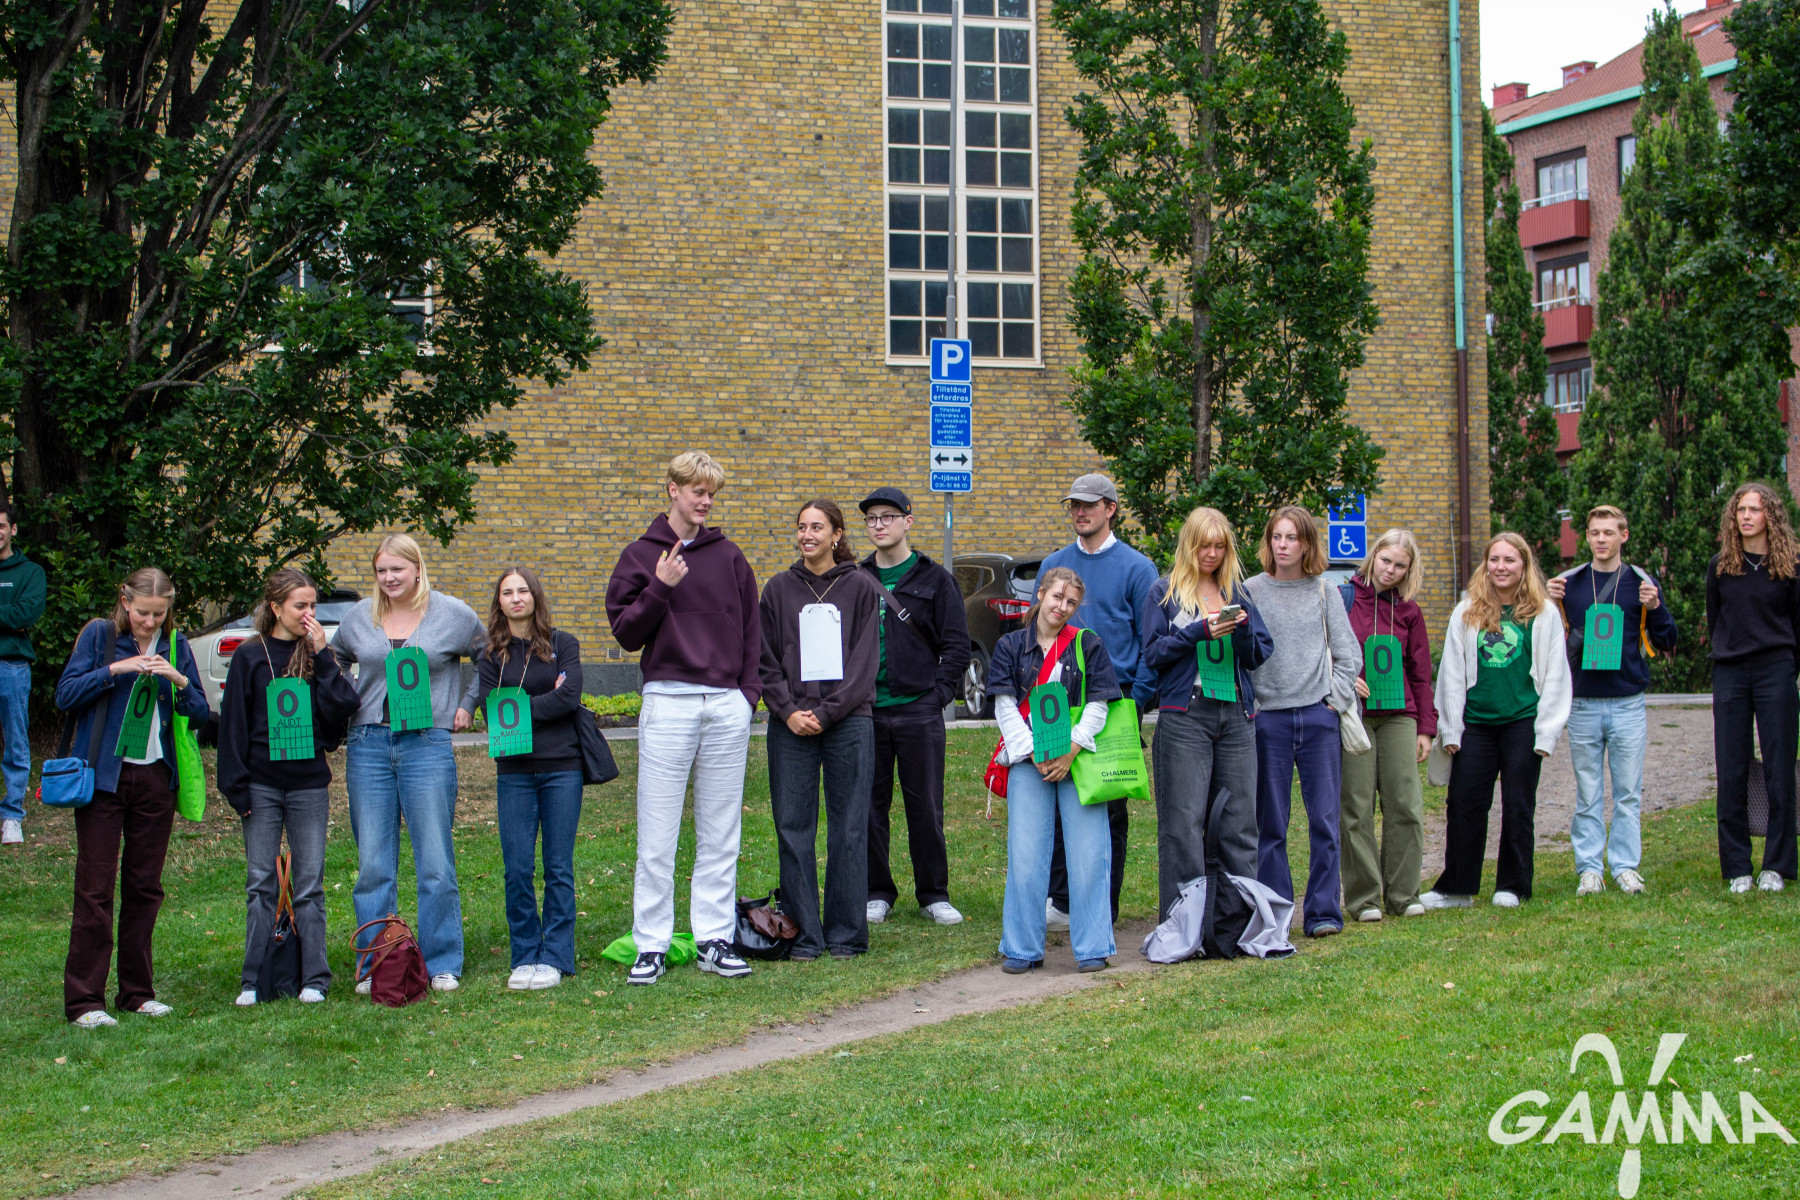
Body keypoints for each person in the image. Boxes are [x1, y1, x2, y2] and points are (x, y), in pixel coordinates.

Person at [606, 451, 761, 986]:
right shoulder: (640, 555)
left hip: (725, 705)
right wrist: (661, 585)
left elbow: (752, 631)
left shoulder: (730, 557)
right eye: (698, 491)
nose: (706, 501)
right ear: (672, 489)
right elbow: (627, 634)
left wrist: (747, 698)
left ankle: (714, 939)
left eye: (712, 493)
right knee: (657, 833)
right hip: (668, 701)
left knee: (721, 832)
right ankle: (650, 943)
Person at [55, 568, 210, 1027]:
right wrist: (114, 670)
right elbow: (65, 695)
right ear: (125, 601)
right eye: (143, 612)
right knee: (95, 889)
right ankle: (85, 1001)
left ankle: (137, 994)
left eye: (159, 614)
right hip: (104, 781)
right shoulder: (100, 637)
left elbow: (200, 713)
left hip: (156, 780)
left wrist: (179, 681)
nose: (149, 622)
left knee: (145, 889)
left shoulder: (176, 644)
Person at [330, 533, 486, 993]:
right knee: (374, 863)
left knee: (434, 859)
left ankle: (442, 961)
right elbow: (334, 659)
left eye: (397, 569)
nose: (389, 578)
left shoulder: (452, 614)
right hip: (369, 745)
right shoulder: (360, 616)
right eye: (381, 570)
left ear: (417, 568)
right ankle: (376, 962)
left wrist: (468, 702)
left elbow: (490, 656)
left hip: (426, 744)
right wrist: (347, 697)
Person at [217, 568, 360, 1006]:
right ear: (276, 608)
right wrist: (237, 788)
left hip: (308, 786)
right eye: (300, 606)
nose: (309, 613)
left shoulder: (315, 654)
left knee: (309, 883)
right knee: (261, 882)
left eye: (313, 605)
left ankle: (314, 978)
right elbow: (233, 727)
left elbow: (344, 705)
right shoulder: (250, 655)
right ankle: (254, 979)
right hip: (260, 784)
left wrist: (323, 655)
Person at [1422, 532, 1572, 909]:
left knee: (1518, 804)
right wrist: (1450, 728)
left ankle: (1513, 885)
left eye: (1509, 560)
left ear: (1524, 566)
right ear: (1486, 565)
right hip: (1476, 723)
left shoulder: (1543, 613)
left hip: (1523, 721)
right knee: (1464, 802)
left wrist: (1547, 733)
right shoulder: (1467, 611)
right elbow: (1451, 673)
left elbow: (1556, 675)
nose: (1500, 567)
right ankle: (1457, 888)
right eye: (1494, 559)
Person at [761, 500, 883, 959]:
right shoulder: (777, 590)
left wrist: (828, 713)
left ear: (837, 535)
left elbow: (864, 663)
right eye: (801, 527)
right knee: (793, 826)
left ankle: (846, 933)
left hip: (849, 722)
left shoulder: (861, 587)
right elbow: (765, 660)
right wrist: (789, 711)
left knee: (849, 827)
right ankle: (804, 934)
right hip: (789, 725)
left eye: (817, 527)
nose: (807, 535)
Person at [1140, 506, 1273, 918]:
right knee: (1183, 825)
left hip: (1236, 714)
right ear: (1188, 545)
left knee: (1239, 824)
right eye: (1203, 546)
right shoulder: (1163, 593)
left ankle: (1236, 926)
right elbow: (1153, 654)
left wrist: (1243, 629)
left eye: (1219, 546)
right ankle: (1183, 927)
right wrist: (1198, 631)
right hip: (1185, 716)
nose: (1211, 554)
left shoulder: (1237, 592)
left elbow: (1259, 653)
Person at [988, 566, 1121, 973]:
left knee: (1090, 853)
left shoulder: (1088, 644)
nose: (1062, 607)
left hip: (1077, 761)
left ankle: (1093, 946)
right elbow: (1004, 705)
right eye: (1057, 597)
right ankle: (1021, 948)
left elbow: (1100, 702)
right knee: (1026, 856)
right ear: (1041, 593)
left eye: (1071, 602)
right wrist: (1034, 752)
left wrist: (1071, 750)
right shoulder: (1010, 645)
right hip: (1028, 760)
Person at [1040, 473, 1157, 930]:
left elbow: (1150, 643)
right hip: (1055, 699)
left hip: (1115, 700)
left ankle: (1102, 906)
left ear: (1111, 509)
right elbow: (1037, 632)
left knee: (1107, 805)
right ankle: (1061, 901)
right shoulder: (1055, 564)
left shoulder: (1137, 568)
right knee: (1054, 795)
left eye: (1089, 505)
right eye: (1074, 505)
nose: (1080, 512)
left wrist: (1136, 702)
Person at [465, 567, 587, 990]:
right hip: (514, 771)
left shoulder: (563, 644)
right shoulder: (489, 654)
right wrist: (545, 698)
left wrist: (516, 709)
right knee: (517, 869)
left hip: (562, 767)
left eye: (523, 591)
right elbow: (489, 709)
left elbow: (570, 697)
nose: (516, 598)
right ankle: (525, 955)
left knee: (558, 866)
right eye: (507, 592)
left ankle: (555, 956)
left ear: (535, 596)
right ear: (499, 602)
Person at [1242, 506, 1361, 937]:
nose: (1283, 545)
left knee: (1324, 822)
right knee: (1270, 825)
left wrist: (1334, 701)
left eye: (1292, 537)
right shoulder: (1250, 591)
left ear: (1307, 543)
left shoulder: (1324, 591)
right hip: (1268, 722)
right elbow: (1242, 654)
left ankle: (1324, 912)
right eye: (1277, 536)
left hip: (1317, 719)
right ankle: (1276, 915)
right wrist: (1254, 706)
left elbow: (1349, 655)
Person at [856, 487, 972, 928]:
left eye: (888, 516)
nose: (879, 525)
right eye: (871, 518)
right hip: (866, 711)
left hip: (918, 711)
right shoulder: (856, 578)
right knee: (870, 807)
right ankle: (876, 892)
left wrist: (936, 696)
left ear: (908, 521)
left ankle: (933, 893)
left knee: (925, 807)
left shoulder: (935, 579)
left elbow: (957, 646)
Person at [1548, 506, 1677, 897]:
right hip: (1583, 703)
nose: (1601, 539)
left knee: (1628, 792)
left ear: (1624, 535)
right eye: (1594, 533)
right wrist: (1547, 604)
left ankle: (1624, 867)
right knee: (1588, 793)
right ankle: (1589, 869)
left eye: (1608, 532)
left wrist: (1655, 607)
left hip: (1627, 702)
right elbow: (1548, 640)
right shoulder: (1568, 584)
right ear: (1586, 536)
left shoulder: (1640, 581)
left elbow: (1668, 639)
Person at [1705, 482, 1800, 894]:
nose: (1745, 516)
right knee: (1731, 770)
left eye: (1754, 510)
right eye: (1740, 509)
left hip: (1776, 671)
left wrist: (1788, 669)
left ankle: (1776, 865)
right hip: (1730, 673)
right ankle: (1737, 868)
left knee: (1780, 770)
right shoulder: (1721, 566)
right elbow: (1716, 620)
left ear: (1770, 516)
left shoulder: (1791, 565)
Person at [1339, 530, 1438, 922]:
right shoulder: (1343, 599)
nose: (1390, 570)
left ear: (1409, 570)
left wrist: (1426, 728)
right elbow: (1326, 652)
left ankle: (1403, 894)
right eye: (1386, 561)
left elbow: (1421, 673)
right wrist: (1345, 678)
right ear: (1373, 556)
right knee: (1356, 807)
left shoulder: (1410, 611)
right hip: (1357, 716)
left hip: (1400, 715)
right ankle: (1365, 899)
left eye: (1400, 566)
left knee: (1405, 803)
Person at [0, 504, 46, 846]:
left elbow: (24, 615)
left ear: (13, 529)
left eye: (1, 526)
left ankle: (12, 816)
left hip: (12, 666)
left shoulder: (31, 572)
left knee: (16, 743)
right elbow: (12, 616)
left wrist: (13, 617)